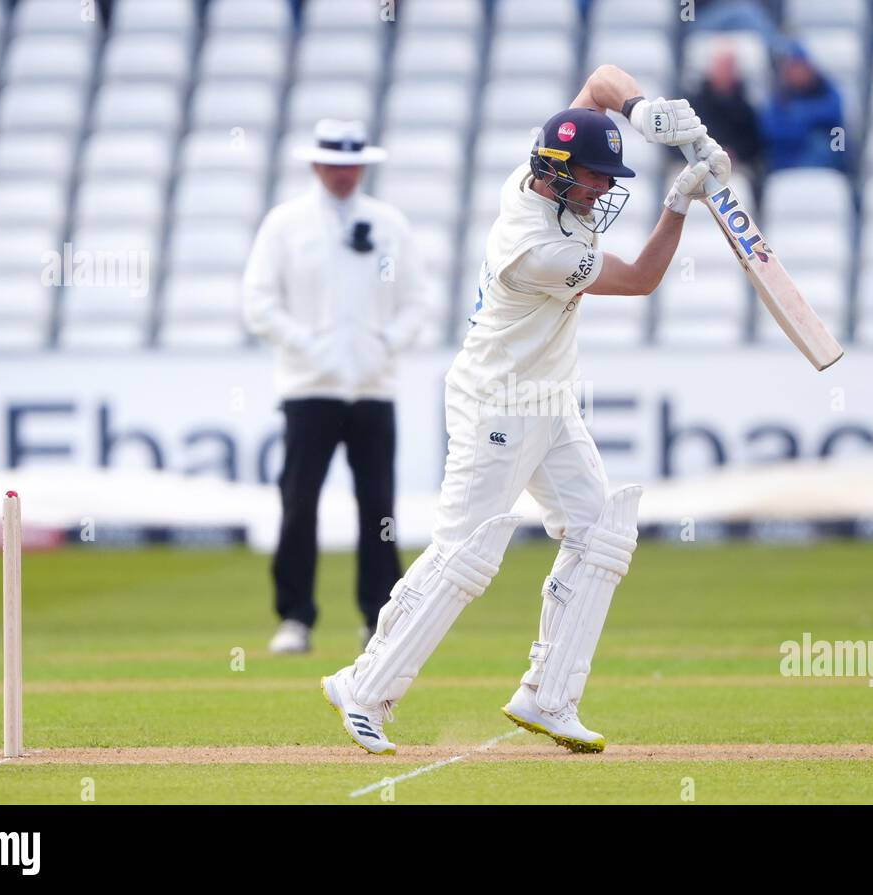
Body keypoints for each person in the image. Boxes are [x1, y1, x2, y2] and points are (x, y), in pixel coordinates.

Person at [319, 65, 730, 755]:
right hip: (497, 403)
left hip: (549, 396)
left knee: (601, 531)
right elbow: (641, 280)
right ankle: (363, 688)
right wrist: (681, 201)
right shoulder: (538, 248)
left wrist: (646, 112)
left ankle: (548, 696)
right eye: (597, 180)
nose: (604, 191)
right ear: (560, 177)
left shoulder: (536, 171)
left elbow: (600, 83)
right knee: (466, 557)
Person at [243, 119, 430, 655]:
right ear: (316, 164)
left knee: (379, 505)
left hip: (374, 388)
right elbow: (258, 302)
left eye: (354, 164)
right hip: (309, 388)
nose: (346, 174)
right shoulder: (286, 224)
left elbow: (418, 301)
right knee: (299, 502)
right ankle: (295, 617)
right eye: (336, 164)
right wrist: (308, 345)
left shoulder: (388, 223)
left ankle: (380, 617)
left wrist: (383, 344)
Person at [758, 44, 846, 174]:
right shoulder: (780, 95)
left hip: (826, 160)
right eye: (793, 67)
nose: (797, 72)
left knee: (830, 139)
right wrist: (802, 127)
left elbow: (835, 111)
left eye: (800, 66)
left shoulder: (823, 88)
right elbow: (771, 129)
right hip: (787, 159)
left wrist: (800, 114)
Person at [689, 47, 762, 175]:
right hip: (697, 165)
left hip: (734, 167)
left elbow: (754, 144)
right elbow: (679, 142)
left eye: (728, 68)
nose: (724, 72)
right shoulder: (693, 104)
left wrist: (734, 153)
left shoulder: (745, 107)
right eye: (720, 67)